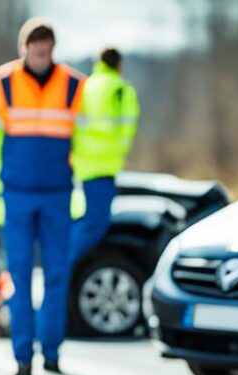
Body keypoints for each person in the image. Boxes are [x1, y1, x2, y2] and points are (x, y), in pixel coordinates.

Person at [0, 19, 85, 375]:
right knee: (19, 276)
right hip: (16, 194)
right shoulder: (2, 83)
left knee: (57, 274)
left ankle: (52, 353)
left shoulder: (73, 85)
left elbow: (86, 141)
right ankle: (23, 357)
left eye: (47, 52)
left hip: (57, 193)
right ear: (24, 49)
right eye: (36, 53)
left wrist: (80, 184)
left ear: (53, 49)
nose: (41, 58)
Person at [71, 47, 140, 264]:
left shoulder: (84, 86)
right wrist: (121, 153)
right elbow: (128, 128)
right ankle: (64, 265)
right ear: (119, 65)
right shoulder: (121, 89)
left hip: (81, 168)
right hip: (105, 167)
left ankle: (66, 267)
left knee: (85, 220)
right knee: (94, 226)